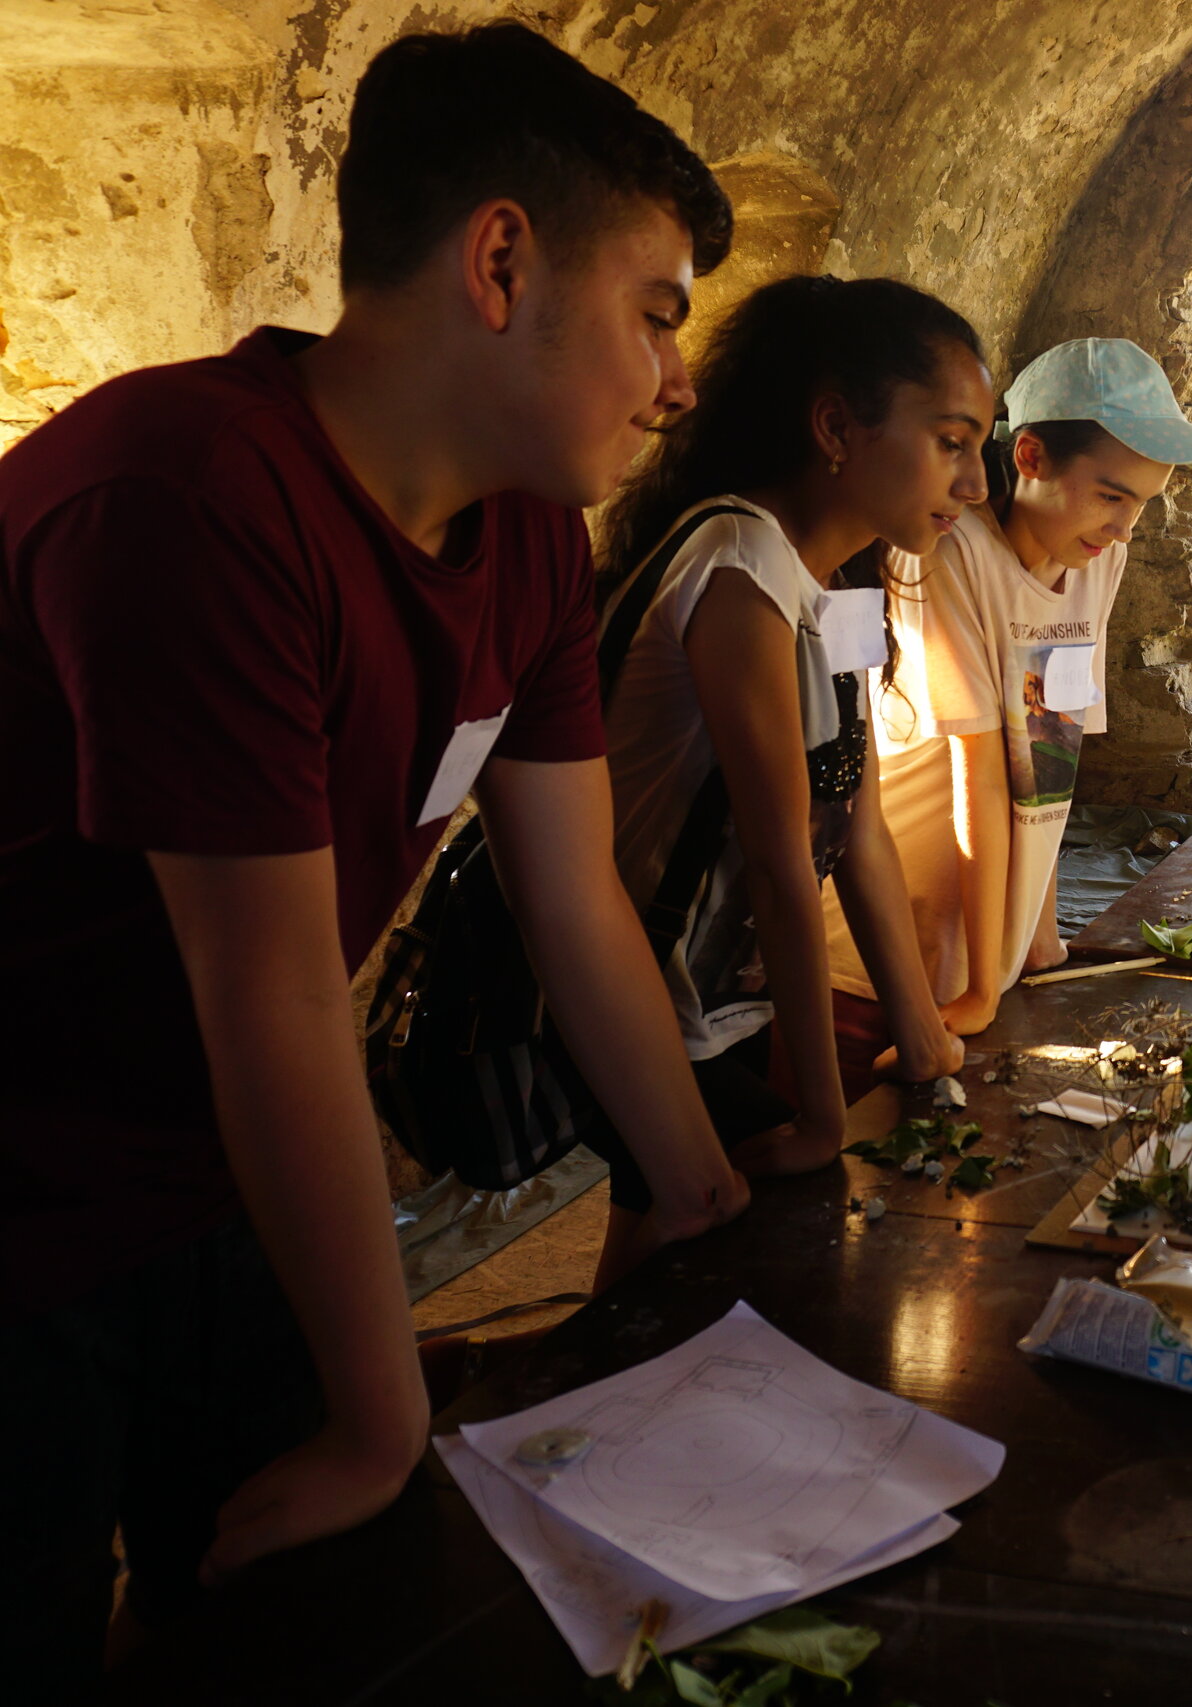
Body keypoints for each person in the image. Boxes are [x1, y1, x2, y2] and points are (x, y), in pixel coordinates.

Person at [0, 24, 752, 1686]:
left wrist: (702, 1197)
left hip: (212, 1165)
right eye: (657, 314)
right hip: (26, 1187)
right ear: (501, 261)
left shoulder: (530, 536)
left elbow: (576, 901)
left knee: (288, 1616)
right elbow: (274, 995)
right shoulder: (193, 494)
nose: (679, 380)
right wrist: (381, 1409)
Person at [587, 276, 985, 1284]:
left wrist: (922, 1035)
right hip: (637, 994)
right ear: (836, 428)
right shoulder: (740, 566)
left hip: (714, 994)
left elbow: (855, 822)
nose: (976, 484)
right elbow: (778, 860)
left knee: (661, 1247)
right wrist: (819, 1112)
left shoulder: (831, 579)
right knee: (718, 1252)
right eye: (952, 442)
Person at [823, 338, 1192, 1042]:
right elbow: (980, 774)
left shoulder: (1097, 560)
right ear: (1031, 457)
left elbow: (1050, 759)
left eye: (1142, 503)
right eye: (1111, 496)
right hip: (890, 969)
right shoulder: (948, 554)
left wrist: (1036, 940)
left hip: (994, 959)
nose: (1124, 528)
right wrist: (984, 985)